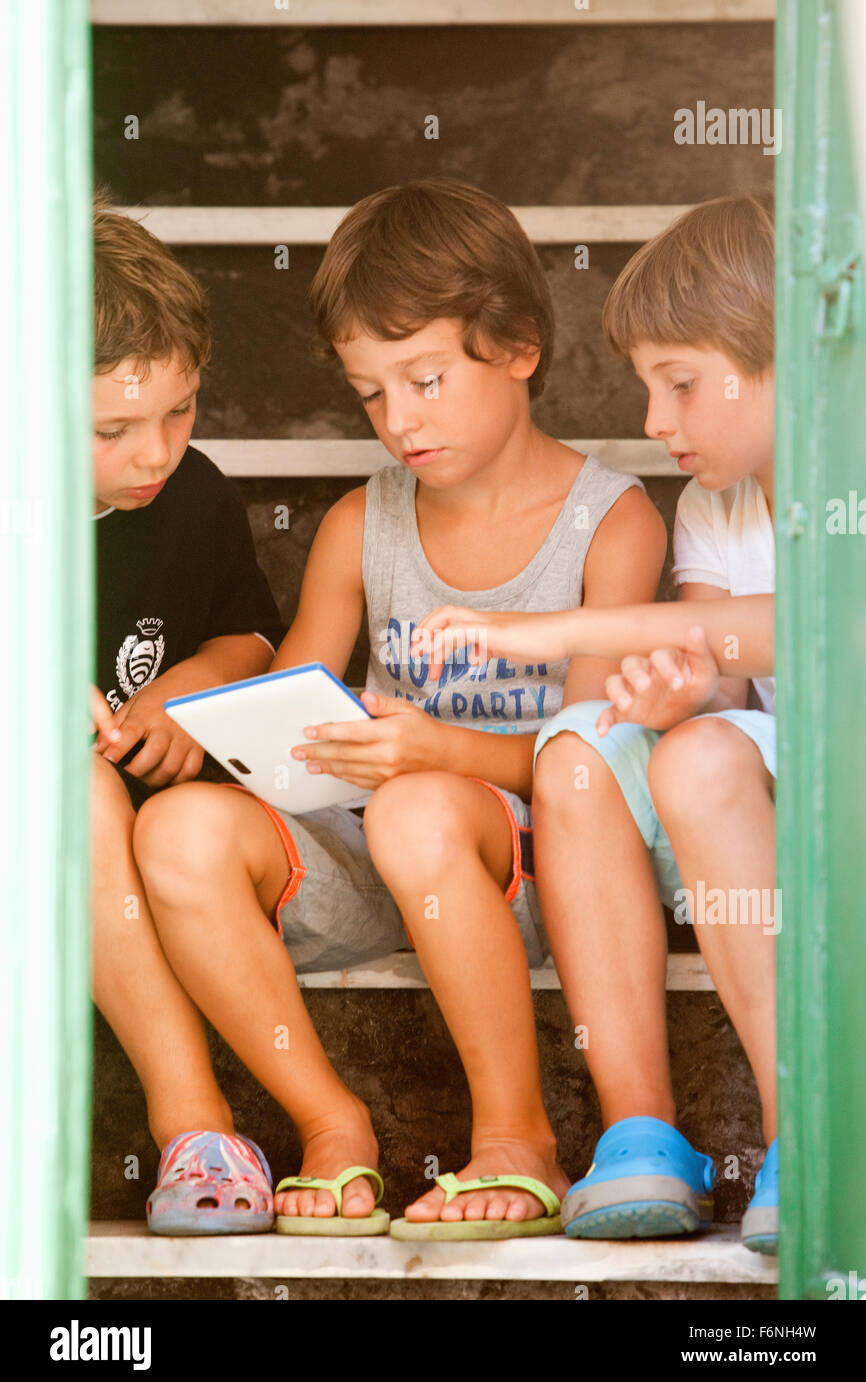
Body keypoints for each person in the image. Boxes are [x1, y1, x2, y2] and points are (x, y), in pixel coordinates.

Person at [132, 177, 667, 1237]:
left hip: (523, 864)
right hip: (371, 852)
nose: (397, 421)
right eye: (369, 393)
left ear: (515, 347)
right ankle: (331, 1129)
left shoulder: (610, 523)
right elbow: (285, 703)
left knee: (419, 807)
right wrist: (236, 726)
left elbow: (590, 766)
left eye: (423, 379)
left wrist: (435, 751)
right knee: (177, 828)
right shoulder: (356, 524)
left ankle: (515, 1137)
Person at [411, 192, 780, 1253]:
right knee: (577, 742)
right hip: (760, 777)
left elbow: (802, 624)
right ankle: (639, 1130)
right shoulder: (715, 503)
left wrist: (544, 629)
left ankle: (810, 1129)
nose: (656, 422)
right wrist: (670, 689)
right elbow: (713, 650)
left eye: (678, 385)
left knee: (703, 758)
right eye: (645, 389)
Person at [89, 194, 286, 1235]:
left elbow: (250, 636)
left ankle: (198, 1139)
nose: (154, 452)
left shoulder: (193, 497)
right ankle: (188, 1110)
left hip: (157, 825)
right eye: (113, 428)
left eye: (181, 411)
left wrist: (185, 689)